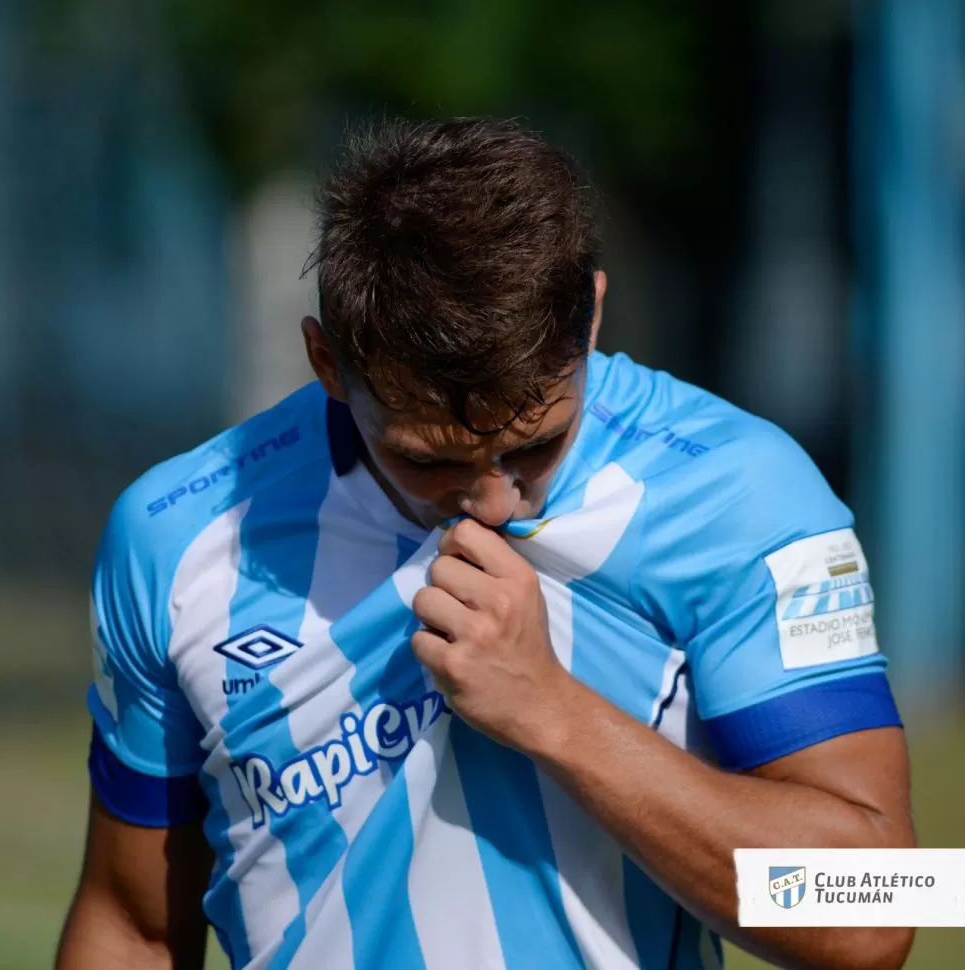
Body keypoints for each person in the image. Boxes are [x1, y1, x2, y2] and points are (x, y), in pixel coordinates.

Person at [57, 117, 915, 970]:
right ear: (325, 362)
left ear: (592, 318)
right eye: (429, 459)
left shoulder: (741, 491)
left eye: (538, 445)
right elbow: (132, 928)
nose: (494, 502)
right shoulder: (178, 535)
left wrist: (554, 712)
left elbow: (879, 913)